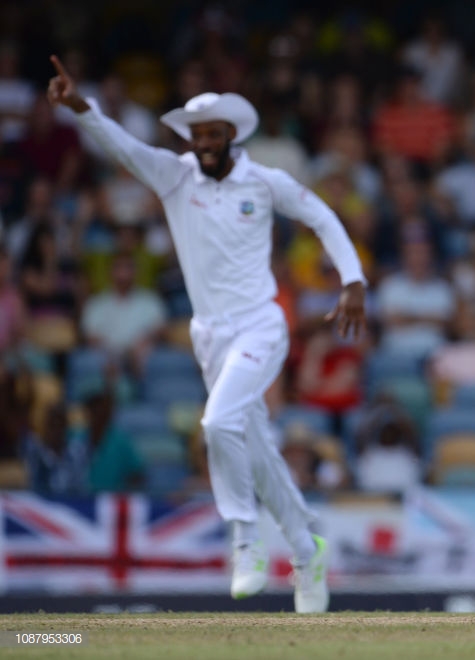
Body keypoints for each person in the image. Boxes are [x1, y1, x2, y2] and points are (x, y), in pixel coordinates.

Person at [47, 55, 368, 613]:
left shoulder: (265, 182)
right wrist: (81, 108)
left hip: (262, 324)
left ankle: (243, 538)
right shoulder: (174, 177)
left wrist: (354, 279)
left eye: (212, 134)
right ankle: (305, 546)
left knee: (218, 422)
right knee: (256, 447)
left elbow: (322, 218)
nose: (203, 143)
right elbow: (122, 146)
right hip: (209, 336)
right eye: (195, 135)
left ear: (231, 134)